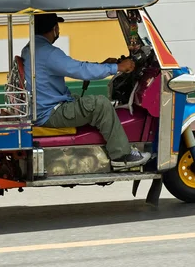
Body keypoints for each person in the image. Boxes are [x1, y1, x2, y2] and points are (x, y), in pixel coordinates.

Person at [21, 13, 151, 168]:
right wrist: (116, 67)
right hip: (50, 113)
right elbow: (79, 70)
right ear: (55, 29)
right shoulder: (48, 53)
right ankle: (121, 156)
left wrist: (103, 66)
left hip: (44, 107)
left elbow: (75, 67)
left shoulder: (31, 48)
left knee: (86, 102)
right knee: (100, 104)